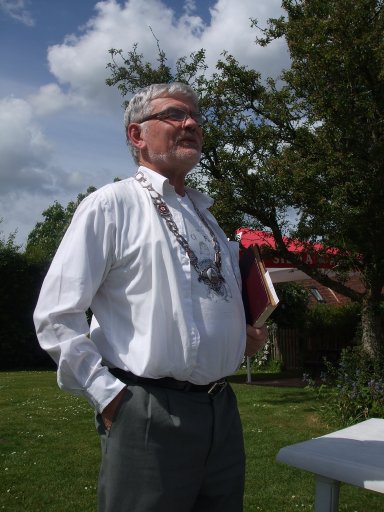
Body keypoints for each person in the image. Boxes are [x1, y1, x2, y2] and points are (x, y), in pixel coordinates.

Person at [34, 82, 267, 512]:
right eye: (175, 115)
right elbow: (56, 315)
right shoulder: (111, 206)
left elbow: (206, 297)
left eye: (195, 116)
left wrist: (240, 336)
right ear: (136, 135)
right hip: (147, 415)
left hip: (222, 413)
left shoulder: (207, 218)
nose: (192, 123)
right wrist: (107, 395)